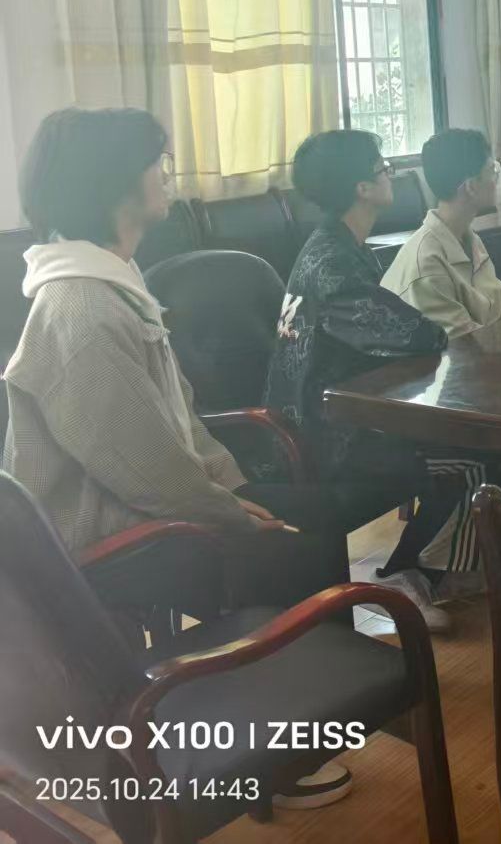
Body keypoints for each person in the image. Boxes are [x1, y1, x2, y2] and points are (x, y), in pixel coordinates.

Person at [5, 107, 354, 810]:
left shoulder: (110, 278)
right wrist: (235, 514)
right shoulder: (80, 309)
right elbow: (146, 470)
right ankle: (287, 752)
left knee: (312, 512)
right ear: (114, 184)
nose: (167, 175)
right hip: (109, 537)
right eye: (156, 163)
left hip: (150, 506)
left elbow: (177, 424)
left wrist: (234, 487)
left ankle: (310, 724)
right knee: (297, 542)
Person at [264, 130, 488, 632]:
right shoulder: (334, 264)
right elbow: (414, 332)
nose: (392, 173)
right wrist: (430, 330)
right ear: (362, 188)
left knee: (470, 447)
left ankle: (445, 568)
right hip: (327, 436)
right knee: (473, 456)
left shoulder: (338, 246)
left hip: (345, 415)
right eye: (383, 167)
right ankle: (408, 575)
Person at [381, 128, 501, 336]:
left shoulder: (468, 238)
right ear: (471, 187)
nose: (496, 179)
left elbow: (498, 309)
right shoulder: (427, 264)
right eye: (492, 172)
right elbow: (463, 345)